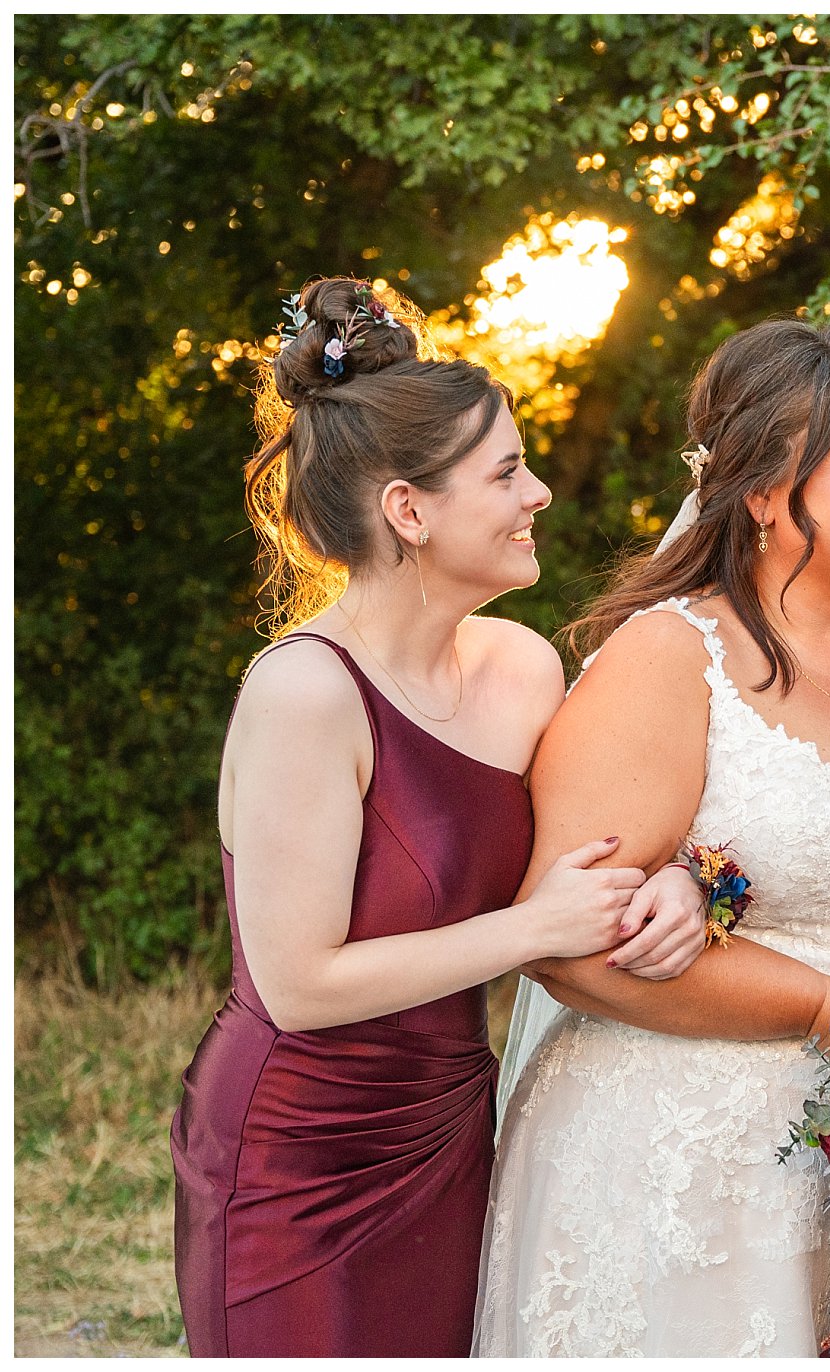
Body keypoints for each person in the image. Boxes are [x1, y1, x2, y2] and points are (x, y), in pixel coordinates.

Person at [170, 276, 705, 1357]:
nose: (539, 492)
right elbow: (297, 981)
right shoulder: (304, 691)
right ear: (408, 511)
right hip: (296, 1154)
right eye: (506, 472)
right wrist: (532, 931)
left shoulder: (522, 666)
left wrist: (676, 879)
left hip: (451, 1129)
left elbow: (601, 841)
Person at [473, 319, 830, 1357]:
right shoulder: (672, 655)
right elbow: (566, 947)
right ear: (761, 491)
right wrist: (824, 1007)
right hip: (678, 1167)